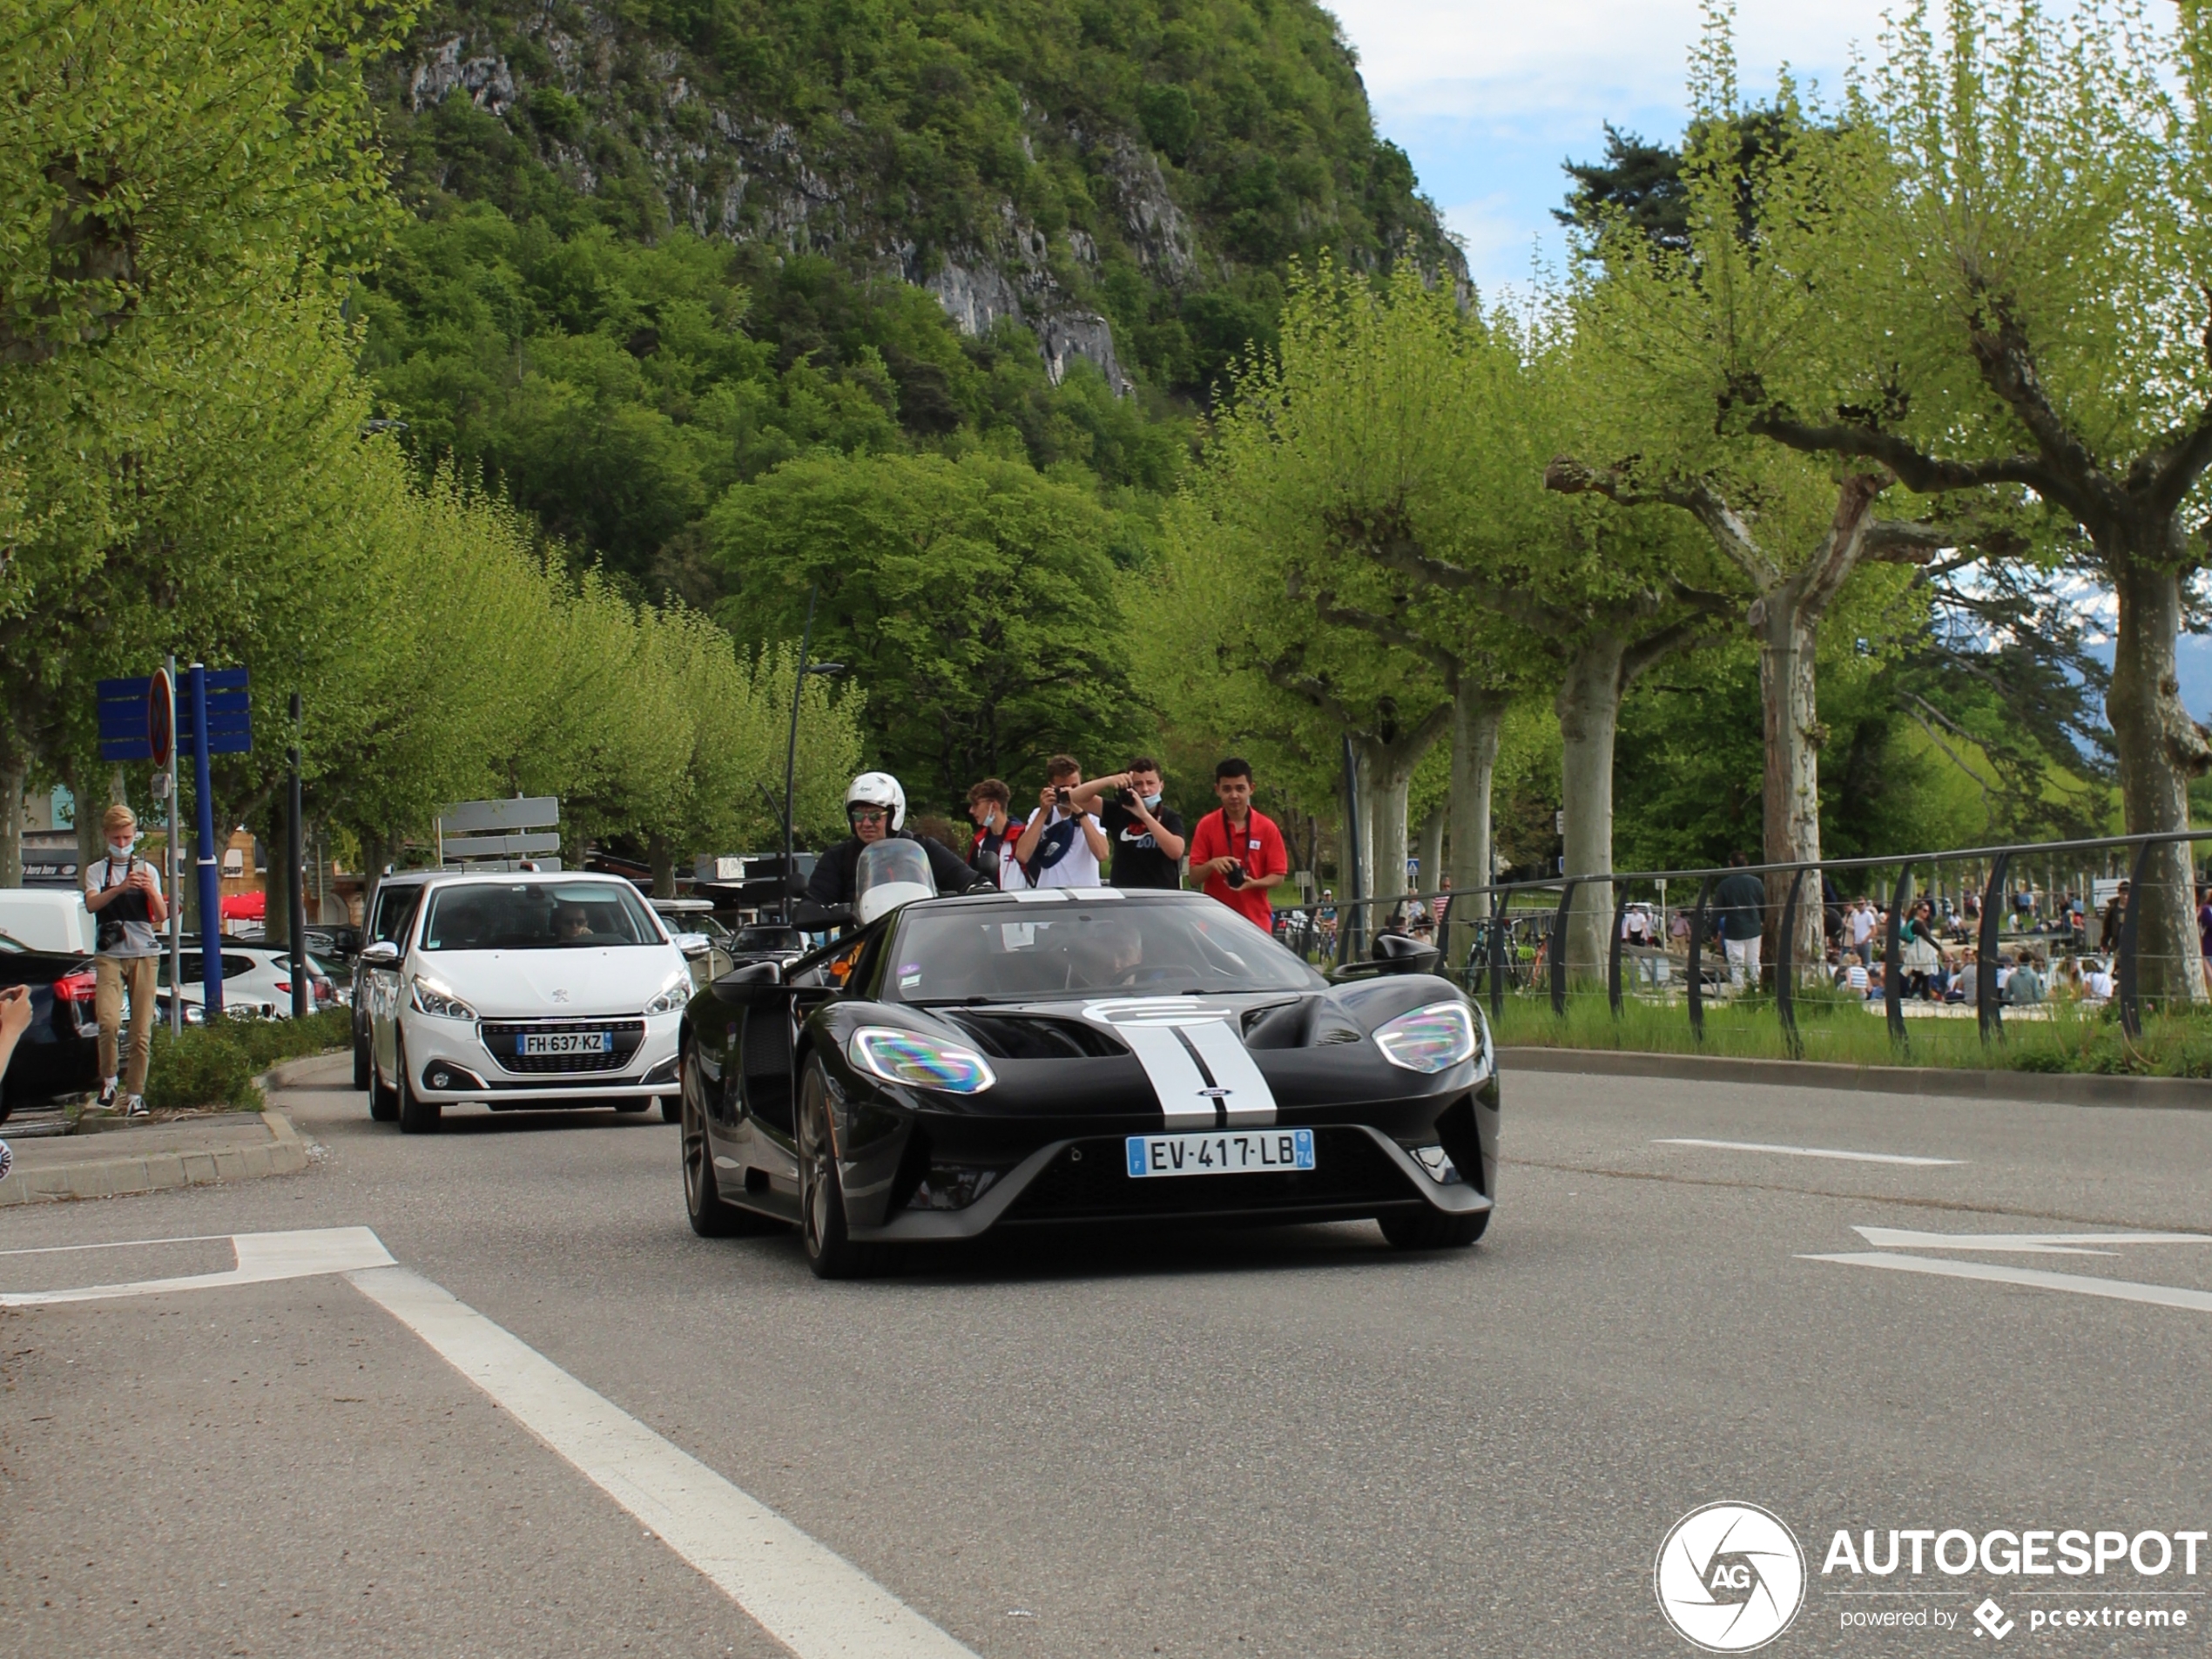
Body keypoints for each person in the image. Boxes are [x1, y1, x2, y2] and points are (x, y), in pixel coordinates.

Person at [84, 804, 167, 1116]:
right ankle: (109, 1080)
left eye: (127, 837)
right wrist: (120, 888)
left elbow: (161, 916)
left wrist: (150, 891)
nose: (122, 844)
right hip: (110, 955)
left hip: (144, 952)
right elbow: (92, 904)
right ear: (106, 835)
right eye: (117, 838)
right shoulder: (96, 871)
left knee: (141, 1031)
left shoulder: (148, 870)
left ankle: (135, 1095)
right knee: (108, 1021)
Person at [804, 772, 981, 907]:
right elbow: (813, 902)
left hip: (918, 938)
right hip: (863, 943)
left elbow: (963, 876)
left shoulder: (922, 849)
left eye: (875, 816)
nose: (865, 823)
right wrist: (813, 909)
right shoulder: (839, 857)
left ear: (894, 815)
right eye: (858, 815)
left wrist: (978, 886)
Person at [1188, 757, 1288, 929]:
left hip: (1255, 924)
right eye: (1227, 789)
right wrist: (1212, 864)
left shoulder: (1267, 827)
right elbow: (1194, 877)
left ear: (1251, 789)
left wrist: (1254, 883)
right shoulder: (1206, 825)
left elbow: (1278, 877)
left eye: (1240, 788)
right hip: (1215, 924)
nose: (1234, 795)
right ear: (1217, 790)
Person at [1068, 758, 1185, 890]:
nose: (1145, 789)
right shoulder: (1119, 811)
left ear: (1161, 786)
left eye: (1150, 783)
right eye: (1138, 784)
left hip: (1160, 897)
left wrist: (1145, 816)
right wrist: (1109, 780)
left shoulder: (1170, 817)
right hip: (1126, 896)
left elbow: (1176, 851)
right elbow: (1073, 798)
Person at [1014, 755, 1111, 889]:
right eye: (1063, 787)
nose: (1070, 792)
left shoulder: (1091, 814)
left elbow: (1102, 854)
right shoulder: (1040, 814)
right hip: (1050, 895)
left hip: (1086, 895)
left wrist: (1079, 812)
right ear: (1051, 787)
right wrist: (1043, 812)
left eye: (1075, 786)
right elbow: (1022, 856)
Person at [1711, 853, 1765, 989]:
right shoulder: (1756, 882)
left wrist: (1713, 931)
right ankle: (1755, 989)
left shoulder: (1725, 885)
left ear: (1731, 864)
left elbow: (1717, 910)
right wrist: (1763, 921)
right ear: (1746, 863)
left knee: (1736, 964)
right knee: (1753, 962)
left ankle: (1739, 991)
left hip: (1734, 929)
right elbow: (1763, 905)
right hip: (1753, 927)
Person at [963, 779, 1025, 890]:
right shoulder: (979, 841)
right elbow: (968, 878)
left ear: (994, 806)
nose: (971, 810)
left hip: (1018, 905)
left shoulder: (1022, 837)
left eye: (976, 804)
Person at [2099, 881, 2129, 953]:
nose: (2125, 897)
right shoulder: (2113, 909)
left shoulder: (2134, 909)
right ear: (2119, 893)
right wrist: (2104, 943)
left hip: (2131, 943)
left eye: (2128, 894)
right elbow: (2107, 928)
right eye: (2123, 894)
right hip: (2117, 943)